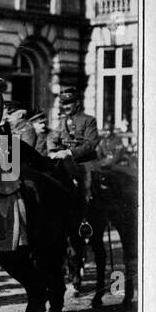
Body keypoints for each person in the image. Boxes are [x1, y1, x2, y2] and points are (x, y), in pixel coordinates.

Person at [45, 86, 100, 217]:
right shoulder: (63, 121)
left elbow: (91, 144)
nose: (66, 106)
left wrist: (70, 152)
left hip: (85, 162)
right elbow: (52, 137)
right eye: (64, 104)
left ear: (77, 103)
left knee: (87, 189)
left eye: (69, 103)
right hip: (67, 162)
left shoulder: (89, 120)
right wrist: (52, 151)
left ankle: (85, 220)